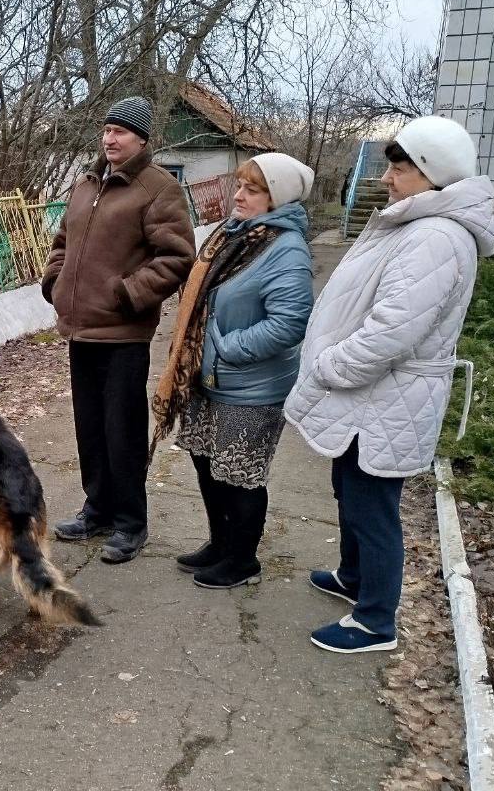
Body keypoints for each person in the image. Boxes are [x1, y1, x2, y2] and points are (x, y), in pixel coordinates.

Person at [285, 116, 494, 654]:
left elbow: (393, 332)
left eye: (400, 168)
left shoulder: (436, 236)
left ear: (433, 174)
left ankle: (375, 621)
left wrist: (332, 365)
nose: (386, 178)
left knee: (372, 507)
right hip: (376, 393)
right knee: (349, 488)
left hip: (387, 394)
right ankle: (354, 577)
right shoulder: (419, 224)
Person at [41, 95, 196, 563]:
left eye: (120, 132)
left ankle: (130, 522)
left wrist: (126, 294)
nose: (110, 139)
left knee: (121, 430)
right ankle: (98, 509)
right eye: (107, 130)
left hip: (123, 334)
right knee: (89, 428)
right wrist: (54, 281)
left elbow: (177, 257)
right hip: (80, 330)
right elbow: (63, 240)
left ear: (141, 139)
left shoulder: (158, 188)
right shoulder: (86, 182)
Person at [151, 154, 315, 588]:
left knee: (239, 475)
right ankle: (220, 544)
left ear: (277, 198)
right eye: (239, 186)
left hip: (250, 387)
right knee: (208, 464)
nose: (238, 195)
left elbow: (289, 323)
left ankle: (243, 560)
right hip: (208, 378)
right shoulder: (234, 234)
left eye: (252, 190)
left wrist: (226, 348)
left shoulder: (285, 249)